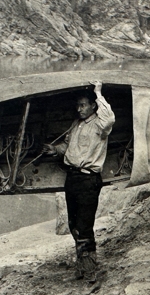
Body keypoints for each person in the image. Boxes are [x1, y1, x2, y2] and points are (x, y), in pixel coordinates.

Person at [42, 81, 115, 283]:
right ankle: (82, 267)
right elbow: (67, 146)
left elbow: (109, 118)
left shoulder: (101, 125)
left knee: (84, 225)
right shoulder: (76, 124)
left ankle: (91, 272)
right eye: (78, 106)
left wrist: (98, 92)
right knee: (73, 224)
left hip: (88, 179)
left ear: (93, 106)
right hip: (73, 178)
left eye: (83, 105)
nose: (79, 109)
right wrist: (54, 149)